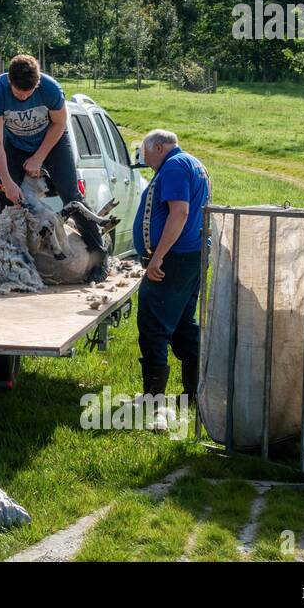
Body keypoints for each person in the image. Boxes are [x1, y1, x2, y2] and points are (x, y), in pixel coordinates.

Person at [0, 54, 101, 251]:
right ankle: (4, 252)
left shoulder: (50, 88)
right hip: (16, 144)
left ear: (37, 83)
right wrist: (8, 182)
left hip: (52, 141)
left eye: (29, 93)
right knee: (6, 197)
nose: (24, 97)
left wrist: (38, 158)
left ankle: (98, 253)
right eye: (19, 94)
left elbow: (60, 123)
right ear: (9, 80)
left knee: (71, 195)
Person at [132, 129, 210, 430]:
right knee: (182, 326)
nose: (145, 159)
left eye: (146, 153)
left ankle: (153, 400)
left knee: (153, 326)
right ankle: (194, 393)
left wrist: (158, 256)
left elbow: (179, 213)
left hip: (175, 259)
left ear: (160, 147)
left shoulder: (175, 166)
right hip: (190, 258)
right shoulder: (192, 163)